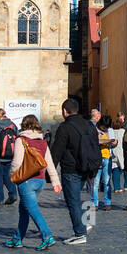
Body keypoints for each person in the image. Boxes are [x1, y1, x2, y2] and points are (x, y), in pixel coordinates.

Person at [3, 114, 61, 251]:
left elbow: (17, 162)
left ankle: (47, 236)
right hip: (39, 180)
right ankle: (17, 238)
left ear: (23, 125)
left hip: (26, 181)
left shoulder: (21, 140)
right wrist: (55, 181)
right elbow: (50, 164)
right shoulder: (42, 142)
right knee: (24, 210)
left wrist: (12, 176)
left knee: (33, 210)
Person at [50, 98, 97, 244]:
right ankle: (83, 224)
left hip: (71, 169)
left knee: (73, 201)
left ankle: (80, 233)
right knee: (76, 200)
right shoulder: (90, 125)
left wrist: (49, 173)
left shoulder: (64, 127)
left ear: (65, 111)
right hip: (88, 167)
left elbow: (57, 151)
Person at [92, 118, 114, 211]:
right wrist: (108, 141)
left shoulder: (110, 130)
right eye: (104, 127)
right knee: (95, 182)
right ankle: (94, 203)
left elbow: (114, 142)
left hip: (107, 157)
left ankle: (107, 202)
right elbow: (95, 142)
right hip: (96, 158)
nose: (105, 130)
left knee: (106, 181)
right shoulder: (94, 130)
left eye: (107, 128)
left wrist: (111, 142)